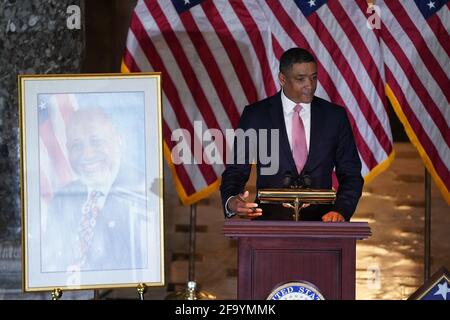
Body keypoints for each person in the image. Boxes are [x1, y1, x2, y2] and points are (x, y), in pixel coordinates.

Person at [220, 48, 364, 222]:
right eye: (300, 79)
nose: (310, 85)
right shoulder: (255, 115)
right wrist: (231, 200)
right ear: (282, 79)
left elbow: (351, 173)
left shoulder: (335, 117)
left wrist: (341, 210)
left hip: (322, 226)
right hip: (268, 228)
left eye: (314, 77)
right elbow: (236, 170)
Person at [42, 107, 147, 272]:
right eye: (77, 145)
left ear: (119, 140)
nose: (87, 154)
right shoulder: (62, 200)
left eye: (96, 141)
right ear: (68, 149)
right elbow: (51, 263)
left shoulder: (143, 192)